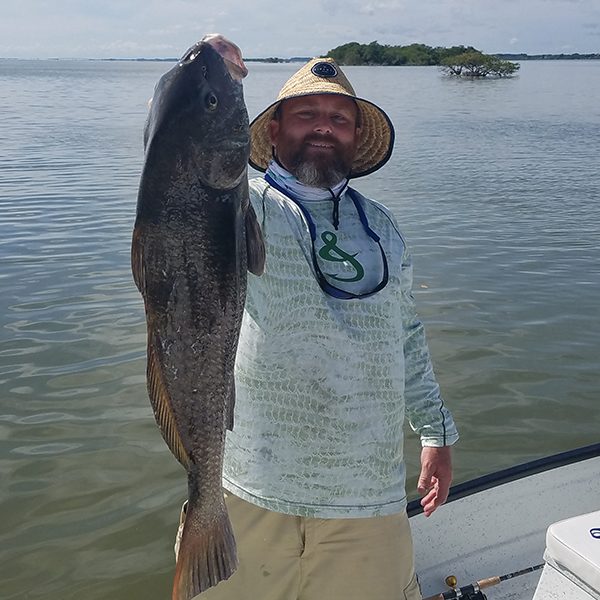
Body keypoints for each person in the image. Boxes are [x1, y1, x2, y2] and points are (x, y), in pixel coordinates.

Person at [178, 57, 459, 600]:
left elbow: (406, 333)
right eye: (307, 114)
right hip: (246, 488)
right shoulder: (234, 207)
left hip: (368, 495)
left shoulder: (382, 225)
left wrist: (436, 431)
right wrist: (201, 65)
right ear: (274, 130)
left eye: (340, 117)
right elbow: (177, 162)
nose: (324, 126)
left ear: (355, 137)